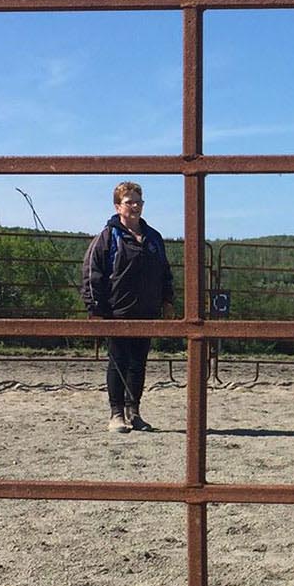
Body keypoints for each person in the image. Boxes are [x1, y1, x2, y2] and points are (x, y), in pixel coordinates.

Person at [80, 181, 174, 433]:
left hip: (147, 312)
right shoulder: (107, 237)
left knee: (138, 363)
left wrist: (167, 300)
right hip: (117, 311)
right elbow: (92, 273)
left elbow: (165, 271)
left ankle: (135, 412)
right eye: (129, 202)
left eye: (138, 202)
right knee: (118, 361)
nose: (135, 206)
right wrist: (96, 309)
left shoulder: (154, 238)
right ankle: (116, 413)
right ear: (117, 206)